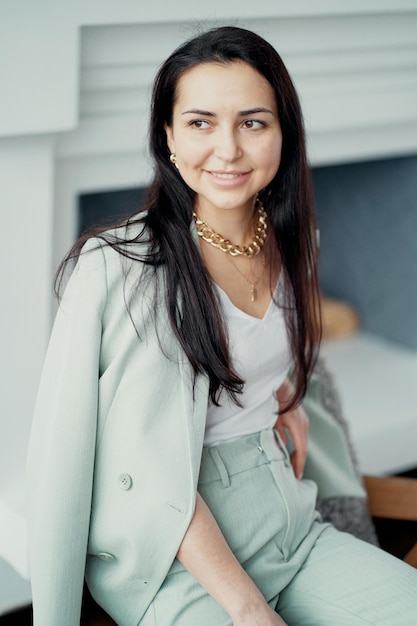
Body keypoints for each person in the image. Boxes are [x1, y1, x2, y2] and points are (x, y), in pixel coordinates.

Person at [26, 26, 417, 626]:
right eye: (201, 122)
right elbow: (131, 468)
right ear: (169, 136)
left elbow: (253, 350)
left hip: (288, 523)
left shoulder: (292, 244)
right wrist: (248, 607)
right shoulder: (122, 269)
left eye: (253, 123)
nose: (228, 150)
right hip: (175, 552)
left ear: (283, 133)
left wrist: (280, 394)